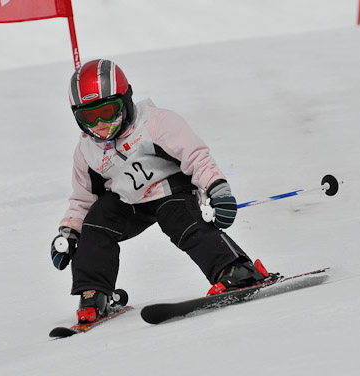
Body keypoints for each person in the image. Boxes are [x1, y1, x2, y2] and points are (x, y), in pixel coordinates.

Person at [50, 59, 270, 323]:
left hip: (170, 190)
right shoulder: (87, 151)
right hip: (128, 201)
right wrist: (70, 233)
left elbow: (196, 157)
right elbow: (83, 199)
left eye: (108, 111)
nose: (99, 124)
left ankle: (235, 270)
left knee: (182, 222)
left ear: (126, 99)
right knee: (96, 224)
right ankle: (94, 293)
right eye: (87, 117)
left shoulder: (155, 124)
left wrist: (217, 188)